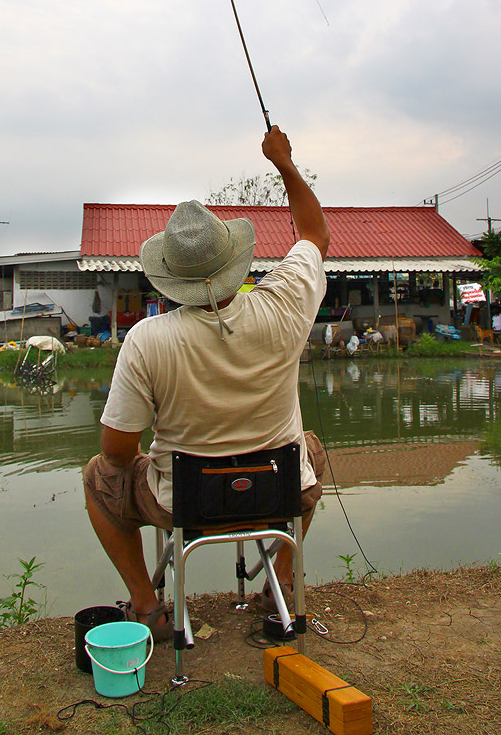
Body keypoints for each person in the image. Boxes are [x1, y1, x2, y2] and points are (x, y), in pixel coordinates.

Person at [83, 125, 330, 640]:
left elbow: (116, 453)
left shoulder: (148, 340)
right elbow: (314, 236)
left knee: (95, 477)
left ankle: (148, 606)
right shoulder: (284, 304)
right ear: (233, 263)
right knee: (311, 452)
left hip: (186, 506)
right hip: (276, 492)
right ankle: (279, 583)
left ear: (170, 278)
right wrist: (284, 163)